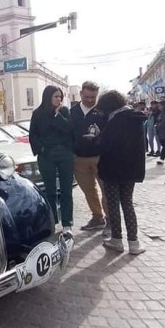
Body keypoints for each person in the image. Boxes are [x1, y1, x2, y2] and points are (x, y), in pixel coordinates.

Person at [92, 90, 146, 254]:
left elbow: (104, 145)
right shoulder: (135, 119)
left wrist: (95, 136)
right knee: (127, 203)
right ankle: (134, 243)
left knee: (113, 204)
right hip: (130, 169)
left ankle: (116, 240)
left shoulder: (115, 120)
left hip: (113, 169)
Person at [29, 86, 74, 232]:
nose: (59, 99)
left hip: (64, 154)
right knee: (50, 191)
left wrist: (57, 116)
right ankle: (52, 221)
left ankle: (67, 223)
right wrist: (41, 148)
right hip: (46, 155)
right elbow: (33, 135)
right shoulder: (37, 113)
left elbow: (69, 130)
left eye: (60, 97)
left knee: (66, 190)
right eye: (56, 96)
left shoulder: (64, 111)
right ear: (48, 97)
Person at [71, 81, 109, 235]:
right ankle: (97, 217)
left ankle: (111, 221)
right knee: (88, 191)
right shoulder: (71, 112)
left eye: (93, 97)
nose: (89, 100)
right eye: (86, 97)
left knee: (106, 190)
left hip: (100, 158)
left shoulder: (103, 112)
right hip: (79, 159)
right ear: (80, 94)